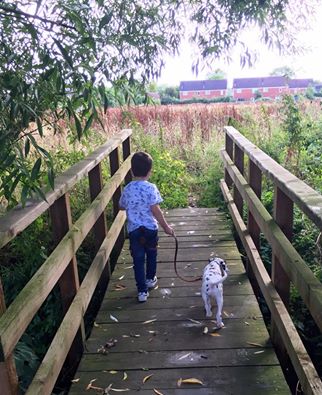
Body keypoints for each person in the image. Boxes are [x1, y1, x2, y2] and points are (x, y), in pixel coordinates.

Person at [119, 151, 174, 302]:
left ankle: (142, 292)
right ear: (150, 172)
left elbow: (121, 206)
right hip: (150, 229)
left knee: (138, 260)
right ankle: (150, 279)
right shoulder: (151, 188)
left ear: (131, 171)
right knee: (151, 254)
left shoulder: (128, 189)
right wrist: (166, 227)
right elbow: (155, 210)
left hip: (135, 231)